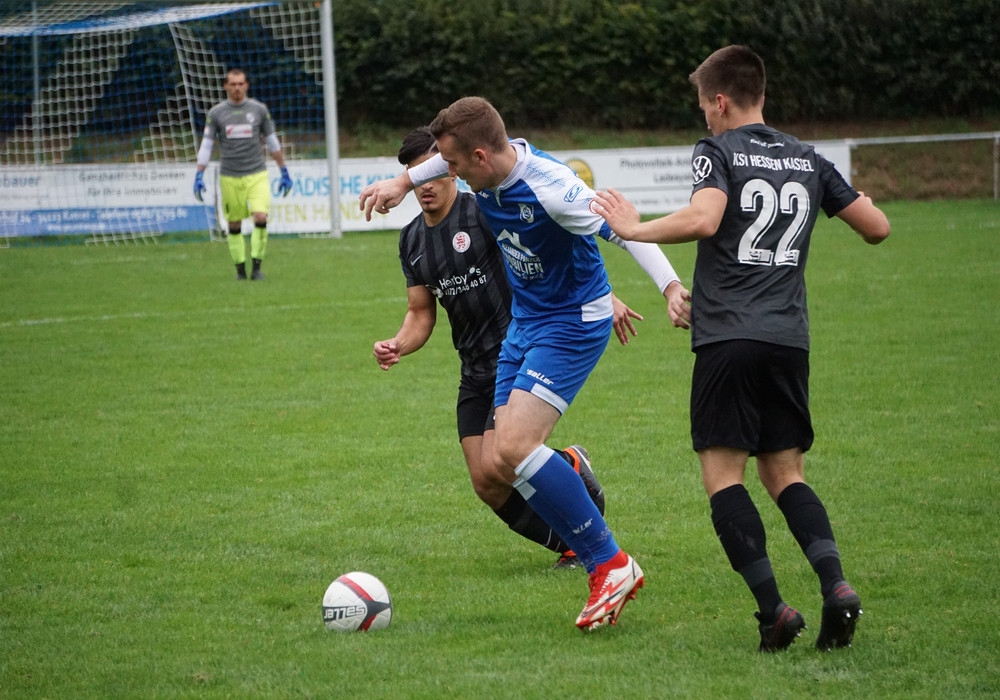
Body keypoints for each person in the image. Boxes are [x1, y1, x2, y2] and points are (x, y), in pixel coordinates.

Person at [592, 45, 890, 651]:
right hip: (788, 339)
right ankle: (835, 585)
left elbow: (706, 219)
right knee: (785, 473)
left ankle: (773, 611)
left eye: (705, 105)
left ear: (721, 101)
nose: (704, 115)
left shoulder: (717, 150)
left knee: (724, 476)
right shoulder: (808, 157)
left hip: (729, 338)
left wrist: (633, 228)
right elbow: (877, 226)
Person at [361, 98, 691, 631]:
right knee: (499, 461)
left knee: (515, 446)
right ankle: (586, 521)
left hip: (570, 322)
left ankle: (609, 564)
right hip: (527, 322)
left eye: (453, 165)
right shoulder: (478, 168)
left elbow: (626, 233)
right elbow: (442, 163)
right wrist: (401, 182)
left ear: (479, 156)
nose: (447, 174)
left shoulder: (553, 189)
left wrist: (671, 287)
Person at [193, 68, 293, 280]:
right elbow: (207, 145)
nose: (237, 88)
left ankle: (256, 268)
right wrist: (199, 174)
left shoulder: (258, 110)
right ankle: (240, 270)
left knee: (260, 216)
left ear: (246, 85)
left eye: (240, 84)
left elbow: (272, 141)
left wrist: (283, 169)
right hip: (230, 176)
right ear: (226, 86)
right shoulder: (216, 113)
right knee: (234, 223)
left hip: (257, 174)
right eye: (233, 84)